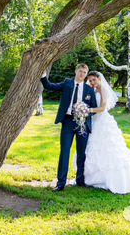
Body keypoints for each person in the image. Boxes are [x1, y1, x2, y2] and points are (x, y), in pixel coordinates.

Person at [74, 70, 130, 194]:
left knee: (108, 148)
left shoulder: (103, 89)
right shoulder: (91, 90)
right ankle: (88, 178)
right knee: (91, 148)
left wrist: (88, 110)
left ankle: (113, 180)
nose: (92, 82)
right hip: (93, 121)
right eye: (90, 80)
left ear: (99, 78)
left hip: (103, 121)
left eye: (94, 80)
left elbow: (103, 108)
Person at [41, 63, 97, 192]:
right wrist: (43, 75)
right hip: (67, 122)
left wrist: (84, 112)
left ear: (86, 74)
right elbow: (49, 86)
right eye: (80, 71)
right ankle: (61, 183)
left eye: (84, 72)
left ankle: (80, 180)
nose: (82, 74)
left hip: (82, 124)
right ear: (75, 71)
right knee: (65, 150)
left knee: (81, 153)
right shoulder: (67, 83)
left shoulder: (89, 90)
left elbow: (93, 108)